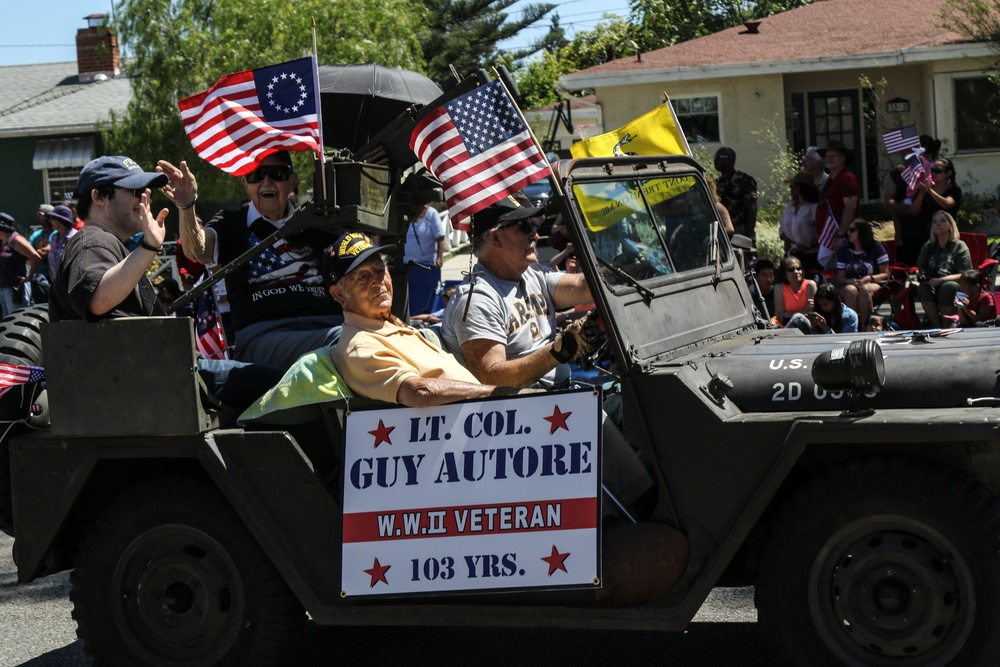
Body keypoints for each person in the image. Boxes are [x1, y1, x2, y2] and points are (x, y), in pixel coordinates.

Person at [441, 196, 654, 513]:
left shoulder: (530, 275)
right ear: (496, 238)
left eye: (535, 225)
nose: (535, 234)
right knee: (638, 500)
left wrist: (615, 273)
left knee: (643, 406)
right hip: (524, 420)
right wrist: (560, 351)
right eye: (525, 226)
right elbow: (491, 376)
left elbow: (581, 286)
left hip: (559, 401)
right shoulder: (477, 299)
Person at [48, 155, 282, 410]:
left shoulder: (109, 243)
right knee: (287, 385)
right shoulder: (92, 241)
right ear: (99, 197)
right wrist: (148, 247)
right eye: (135, 190)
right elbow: (97, 299)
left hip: (149, 380)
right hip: (140, 387)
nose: (145, 197)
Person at [156, 152, 342, 370]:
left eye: (277, 173)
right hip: (265, 336)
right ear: (245, 183)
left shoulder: (315, 222)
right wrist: (187, 205)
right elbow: (197, 250)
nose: (266, 181)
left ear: (293, 179)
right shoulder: (231, 223)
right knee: (356, 342)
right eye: (256, 175)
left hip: (328, 324)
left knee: (369, 337)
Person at [327, 231, 513, 407]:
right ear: (339, 294)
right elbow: (419, 391)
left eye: (380, 270)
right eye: (363, 276)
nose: (378, 281)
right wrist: (502, 395)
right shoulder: (360, 345)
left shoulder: (387, 326)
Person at [885, 135, 941, 266]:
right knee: (906, 273)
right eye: (902, 148)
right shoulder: (895, 174)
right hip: (906, 235)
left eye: (908, 147)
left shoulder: (934, 171)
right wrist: (906, 210)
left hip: (931, 233)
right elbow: (888, 202)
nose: (904, 151)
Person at [915, 210, 972, 328]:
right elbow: (920, 268)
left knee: (948, 287)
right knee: (923, 289)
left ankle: (947, 326)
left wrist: (941, 280)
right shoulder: (928, 246)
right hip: (932, 282)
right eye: (935, 222)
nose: (938, 224)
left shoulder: (959, 246)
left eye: (942, 221)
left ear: (950, 225)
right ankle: (937, 327)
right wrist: (923, 276)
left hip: (954, 283)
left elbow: (965, 274)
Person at [836, 219, 890, 327]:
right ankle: (853, 327)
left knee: (865, 289)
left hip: (872, 283)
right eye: (848, 230)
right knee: (851, 290)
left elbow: (885, 274)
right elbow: (840, 278)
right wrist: (851, 281)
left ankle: (865, 327)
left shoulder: (877, 247)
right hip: (850, 284)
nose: (848, 233)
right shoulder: (843, 250)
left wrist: (869, 278)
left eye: (852, 230)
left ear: (862, 232)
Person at [404, 203, 447, 316]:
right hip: (407, 266)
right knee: (410, 301)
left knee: (428, 301)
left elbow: (440, 238)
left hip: (426, 266)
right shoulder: (404, 212)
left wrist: (439, 258)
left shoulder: (431, 214)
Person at [815, 140, 859, 249]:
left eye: (833, 156)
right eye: (827, 156)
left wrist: (840, 235)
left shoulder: (847, 178)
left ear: (842, 158)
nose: (829, 159)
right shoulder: (830, 179)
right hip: (828, 236)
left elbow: (850, 207)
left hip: (843, 237)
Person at [778, 172, 820, 271]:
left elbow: (822, 234)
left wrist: (807, 245)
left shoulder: (815, 208)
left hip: (809, 257)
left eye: (793, 185)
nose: (790, 187)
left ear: (802, 187)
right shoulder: (789, 207)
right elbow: (782, 229)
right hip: (790, 254)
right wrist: (786, 240)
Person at [0, 214, 40, 317]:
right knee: (5, 323)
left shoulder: (16, 240)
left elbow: (36, 257)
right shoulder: (1, 241)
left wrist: (29, 277)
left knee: (16, 319)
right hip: (2, 287)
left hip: (15, 289)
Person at [714, 147, 758, 239]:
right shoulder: (716, 183)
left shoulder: (744, 180)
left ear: (730, 159)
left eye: (719, 157)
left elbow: (751, 210)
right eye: (715, 157)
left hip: (741, 235)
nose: (715, 160)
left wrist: (748, 237)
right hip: (723, 236)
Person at [786, 283, 859, 334]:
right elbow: (816, 338)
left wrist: (825, 327)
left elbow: (843, 343)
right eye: (820, 305)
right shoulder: (819, 311)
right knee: (798, 317)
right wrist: (814, 327)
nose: (823, 308)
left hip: (837, 351)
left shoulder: (850, 316)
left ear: (835, 301)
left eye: (825, 304)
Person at [772, 255, 817, 326]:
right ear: (784, 274)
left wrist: (788, 314)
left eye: (798, 268)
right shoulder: (779, 288)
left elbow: (810, 313)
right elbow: (779, 316)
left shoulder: (810, 285)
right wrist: (803, 312)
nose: (796, 272)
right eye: (791, 270)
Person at [27, 204, 53, 305]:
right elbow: (28, 254)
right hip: (39, 278)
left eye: (40, 214)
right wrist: (39, 253)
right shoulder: (36, 235)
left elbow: (46, 252)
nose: (37, 217)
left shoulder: (57, 234)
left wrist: (37, 253)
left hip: (54, 277)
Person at [45, 205, 78, 283]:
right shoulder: (54, 237)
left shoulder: (75, 237)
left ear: (61, 220)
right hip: (56, 286)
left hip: (71, 286)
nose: (50, 221)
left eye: (52, 218)